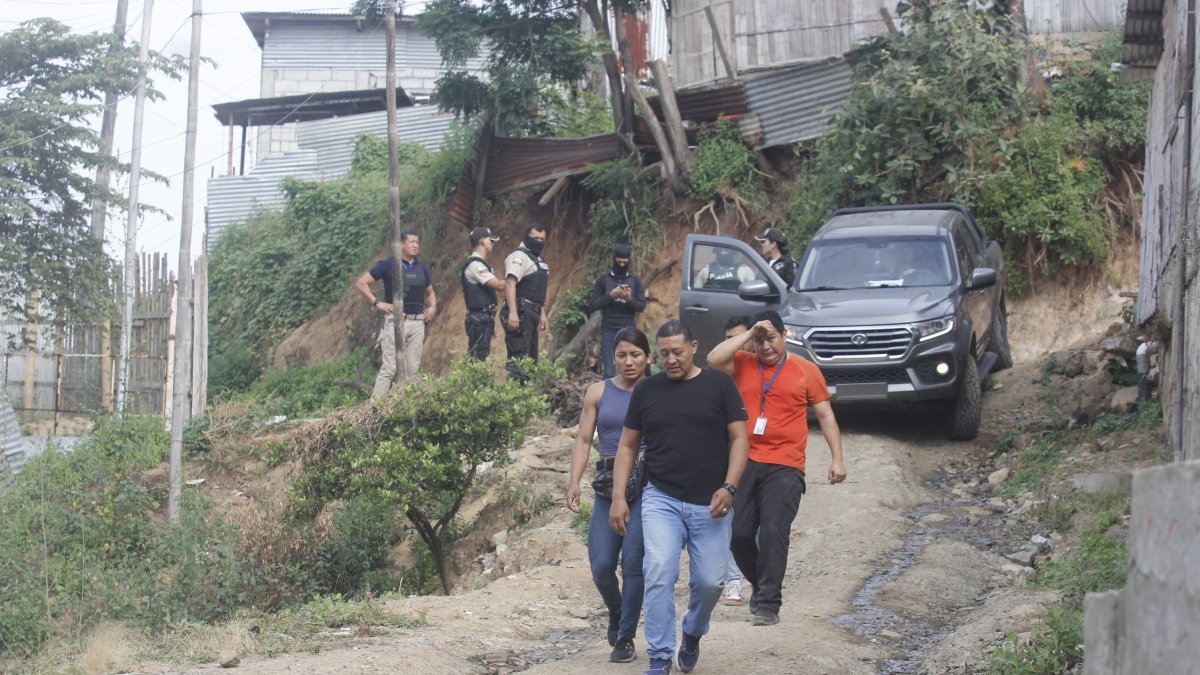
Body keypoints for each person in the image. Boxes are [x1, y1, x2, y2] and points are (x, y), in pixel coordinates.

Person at [609, 320, 749, 675]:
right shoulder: (647, 391)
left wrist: (730, 487)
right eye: (664, 353)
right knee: (658, 571)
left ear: (694, 347)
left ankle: (692, 631)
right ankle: (659, 655)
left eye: (677, 352)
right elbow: (627, 445)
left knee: (710, 582)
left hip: (712, 503)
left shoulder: (720, 385)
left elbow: (739, 439)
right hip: (662, 499)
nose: (670, 359)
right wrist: (618, 497)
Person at [706, 310, 847, 627]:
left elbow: (825, 416)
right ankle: (762, 584)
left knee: (772, 530)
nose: (766, 346)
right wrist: (749, 334)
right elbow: (714, 358)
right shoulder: (743, 363)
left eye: (772, 338)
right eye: (760, 340)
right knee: (739, 534)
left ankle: (768, 603)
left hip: (786, 464)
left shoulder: (805, 370)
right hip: (745, 461)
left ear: (785, 336)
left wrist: (837, 458)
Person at [566, 327, 652, 664]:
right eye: (622, 355)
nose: (629, 362)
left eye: (636, 354)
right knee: (601, 565)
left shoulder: (658, 390)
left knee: (633, 563)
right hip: (606, 483)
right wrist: (573, 481)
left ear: (648, 357)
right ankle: (617, 610)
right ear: (612, 357)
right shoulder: (598, 391)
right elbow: (585, 440)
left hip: (647, 485)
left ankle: (626, 637)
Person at [355, 230, 436, 398]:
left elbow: (430, 293)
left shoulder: (422, 268)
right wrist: (377, 302)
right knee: (390, 368)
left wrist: (433, 307)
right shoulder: (388, 265)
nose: (415, 245)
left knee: (412, 369)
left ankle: (409, 408)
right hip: (395, 321)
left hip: (417, 323)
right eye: (412, 242)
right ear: (401, 244)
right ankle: (375, 409)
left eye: (417, 242)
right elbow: (362, 283)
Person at [718, 315, 754, 607]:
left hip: (765, 459)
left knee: (757, 524)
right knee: (730, 521)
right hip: (728, 456)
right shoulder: (722, 373)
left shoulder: (764, 369)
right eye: (728, 339)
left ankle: (761, 578)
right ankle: (732, 582)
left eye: (739, 339)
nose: (734, 347)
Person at [588, 244, 647, 378]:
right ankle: (609, 398)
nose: (621, 264)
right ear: (614, 259)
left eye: (624, 262)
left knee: (630, 367)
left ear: (629, 261)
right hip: (608, 328)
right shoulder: (603, 280)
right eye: (618, 261)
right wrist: (610, 296)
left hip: (628, 328)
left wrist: (629, 299)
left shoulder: (635, 280)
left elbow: (641, 306)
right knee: (609, 371)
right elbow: (593, 305)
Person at [503, 224, 549, 378]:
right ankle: (515, 397)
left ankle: (525, 398)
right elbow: (510, 283)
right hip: (520, 312)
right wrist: (513, 313)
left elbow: (534, 291)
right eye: (535, 238)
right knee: (519, 358)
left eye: (542, 239)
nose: (539, 241)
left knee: (530, 360)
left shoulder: (538, 260)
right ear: (527, 237)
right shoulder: (519, 257)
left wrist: (542, 314)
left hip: (532, 312)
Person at [460, 226, 504, 360]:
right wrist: (516, 277)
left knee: (480, 357)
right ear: (482, 241)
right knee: (477, 360)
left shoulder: (479, 264)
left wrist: (490, 323)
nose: (492, 243)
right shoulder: (475, 265)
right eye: (490, 240)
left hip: (483, 319)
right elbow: (498, 285)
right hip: (479, 319)